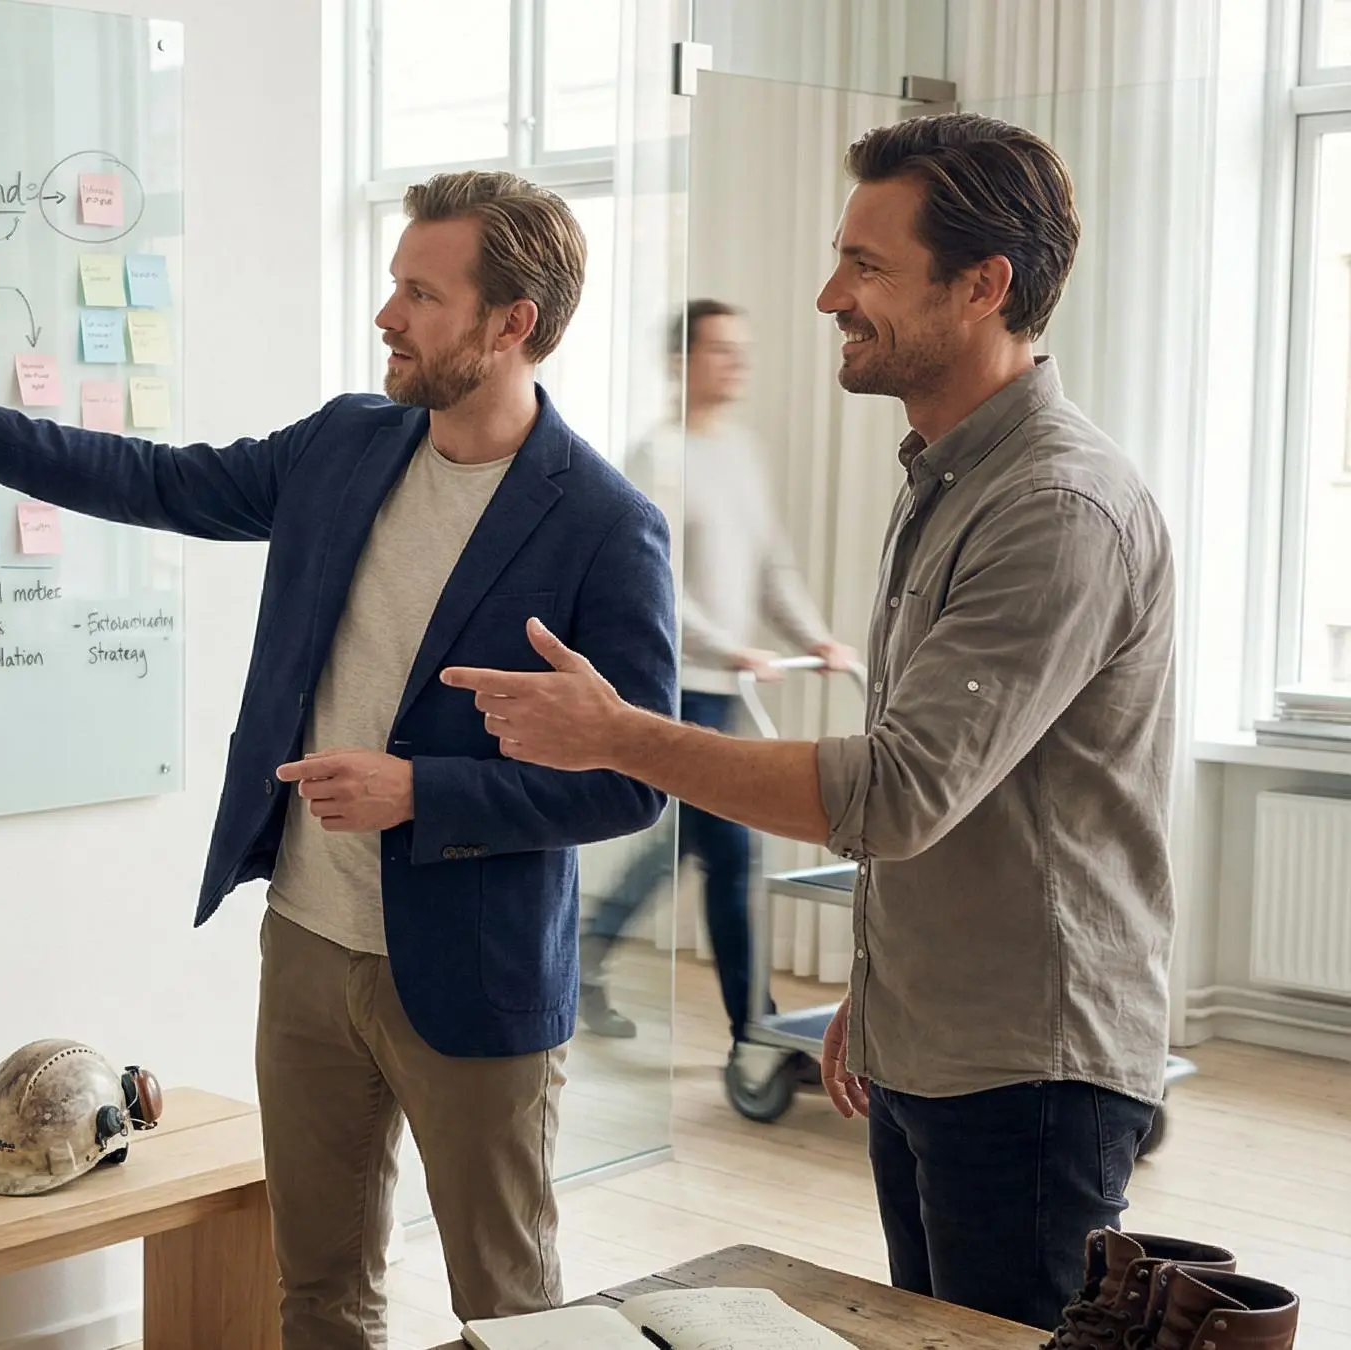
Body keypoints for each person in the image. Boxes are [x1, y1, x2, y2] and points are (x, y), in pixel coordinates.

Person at [0, 169, 678, 1347]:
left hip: (472, 979)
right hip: (309, 945)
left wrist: (420, 793)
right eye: (392, 287)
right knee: (319, 1293)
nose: (387, 316)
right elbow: (162, 481)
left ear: (511, 322)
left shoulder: (604, 522)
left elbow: (632, 776)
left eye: (421, 295)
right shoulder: (343, 445)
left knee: (511, 1311)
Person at [441, 115, 1177, 1331]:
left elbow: (895, 793)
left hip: (1032, 1069)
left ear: (986, 285)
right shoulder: (945, 476)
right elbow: (959, 799)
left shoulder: (1054, 505)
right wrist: (881, 992)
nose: (830, 294)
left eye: (869, 266)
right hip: (942, 1042)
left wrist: (619, 733)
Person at [580, 300, 858, 1046]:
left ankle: (588, 954)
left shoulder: (740, 452)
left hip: (725, 687)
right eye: (721, 350)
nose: (737, 363)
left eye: (743, 350)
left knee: (693, 844)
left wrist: (819, 640)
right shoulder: (657, 457)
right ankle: (754, 1030)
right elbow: (655, 583)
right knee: (729, 851)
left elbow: (771, 568)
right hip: (680, 685)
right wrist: (726, 649)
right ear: (680, 363)